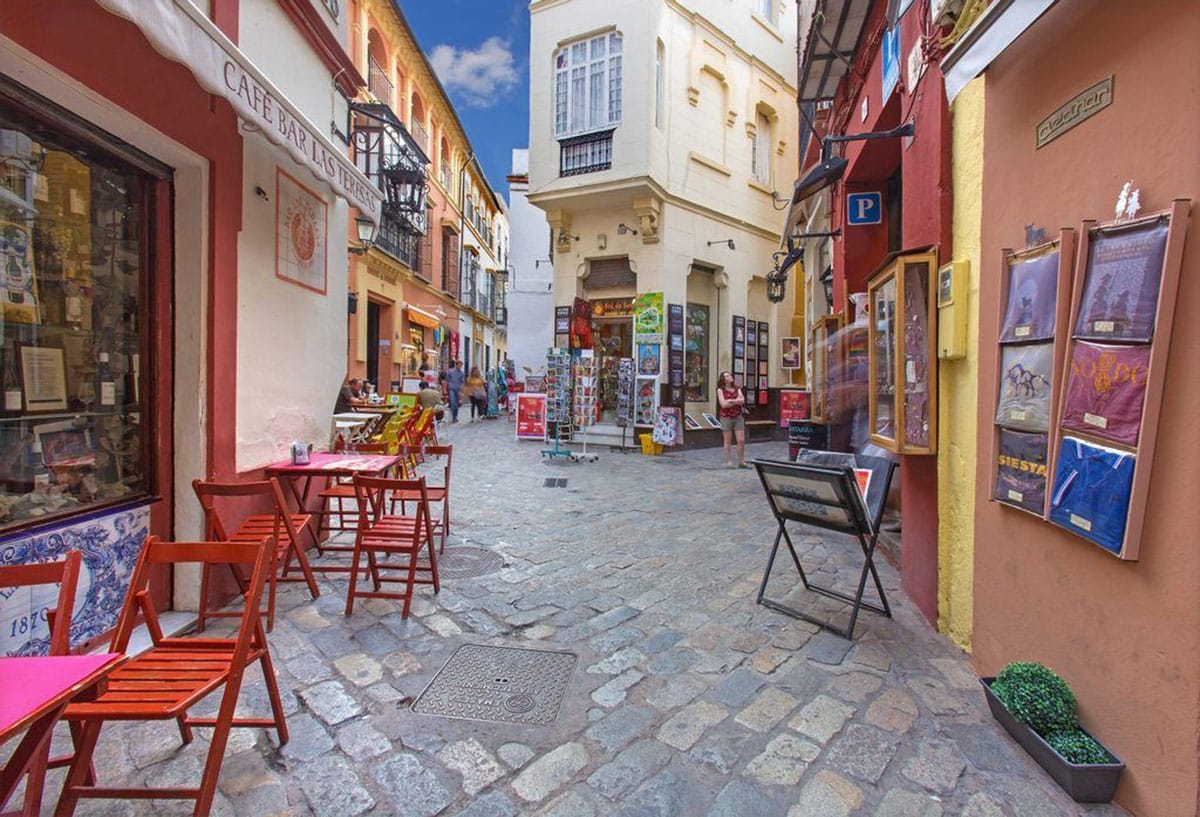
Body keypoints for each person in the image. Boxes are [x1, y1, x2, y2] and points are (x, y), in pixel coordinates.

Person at [716, 370, 748, 468]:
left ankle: (741, 461)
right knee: (727, 440)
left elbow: (742, 401)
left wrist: (731, 400)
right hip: (726, 417)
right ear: (724, 380)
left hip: (738, 416)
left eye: (729, 375)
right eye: (727, 376)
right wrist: (736, 401)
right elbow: (723, 404)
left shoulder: (737, 389)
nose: (729, 377)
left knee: (741, 440)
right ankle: (728, 461)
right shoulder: (720, 390)